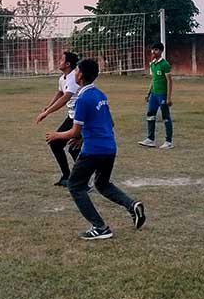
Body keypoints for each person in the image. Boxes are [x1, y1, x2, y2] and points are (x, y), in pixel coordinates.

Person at [46, 59, 146, 240]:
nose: (75, 74)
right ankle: (132, 205)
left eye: (77, 71)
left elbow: (75, 130)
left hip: (93, 150)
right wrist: (81, 137)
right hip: (110, 148)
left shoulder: (82, 99)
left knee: (75, 186)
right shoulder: (100, 95)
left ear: (81, 75)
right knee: (103, 184)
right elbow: (110, 123)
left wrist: (56, 135)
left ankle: (100, 227)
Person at [37, 51, 81, 186]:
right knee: (56, 144)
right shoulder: (63, 78)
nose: (58, 61)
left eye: (61, 59)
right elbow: (60, 92)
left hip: (80, 117)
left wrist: (47, 113)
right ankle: (67, 176)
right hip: (72, 116)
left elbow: (65, 97)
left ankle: (82, 179)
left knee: (72, 148)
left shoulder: (74, 77)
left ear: (68, 64)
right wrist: (47, 106)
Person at [138, 42, 174, 149]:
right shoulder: (152, 64)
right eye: (153, 49)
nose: (153, 52)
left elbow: (169, 81)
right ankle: (150, 139)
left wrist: (168, 97)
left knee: (166, 117)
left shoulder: (164, 64)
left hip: (162, 94)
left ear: (161, 51)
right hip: (154, 94)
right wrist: (148, 93)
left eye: (156, 50)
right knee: (150, 114)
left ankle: (168, 141)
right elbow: (153, 80)